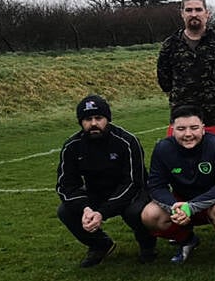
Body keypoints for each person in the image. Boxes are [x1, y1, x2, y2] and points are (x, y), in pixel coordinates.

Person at [56, 95, 155, 267]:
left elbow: (133, 182)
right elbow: (66, 185)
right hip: (96, 192)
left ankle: (147, 245)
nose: (93, 123)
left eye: (98, 118)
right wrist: (86, 208)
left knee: (135, 211)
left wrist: (103, 212)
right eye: (88, 119)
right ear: (80, 122)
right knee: (65, 211)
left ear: (107, 119)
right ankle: (100, 245)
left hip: (128, 192)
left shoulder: (127, 141)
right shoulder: (72, 146)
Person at [141, 105, 215, 264]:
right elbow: (156, 186)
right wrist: (175, 206)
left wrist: (191, 207)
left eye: (194, 128)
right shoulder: (162, 148)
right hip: (181, 202)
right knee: (149, 215)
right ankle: (187, 240)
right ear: (172, 129)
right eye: (181, 128)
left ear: (203, 128)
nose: (188, 134)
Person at [157, 0, 215, 149]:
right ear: (182, 14)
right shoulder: (170, 46)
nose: (193, 14)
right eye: (189, 10)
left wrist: (213, 101)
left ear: (207, 13)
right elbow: (165, 83)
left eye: (198, 10)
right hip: (181, 125)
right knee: (180, 171)